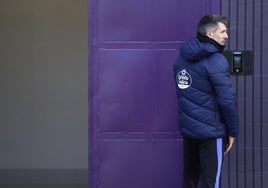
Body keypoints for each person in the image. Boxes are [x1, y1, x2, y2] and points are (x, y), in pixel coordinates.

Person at [173, 15, 239, 188]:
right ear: (210, 33)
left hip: (189, 132)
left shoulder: (181, 58)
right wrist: (232, 131)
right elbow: (227, 100)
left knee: (189, 180)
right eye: (223, 31)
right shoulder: (216, 60)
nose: (226, 36)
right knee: (211, 183)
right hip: (211, 133)